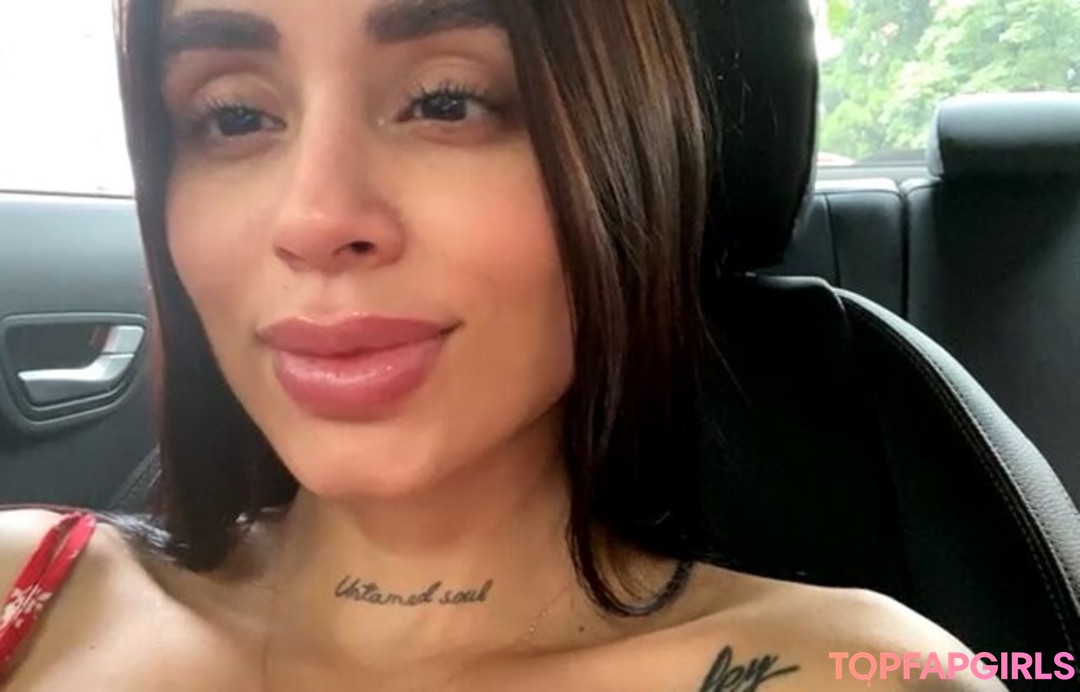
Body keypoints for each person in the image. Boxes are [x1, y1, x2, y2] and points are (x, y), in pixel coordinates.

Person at [0, 1, 1009, 689]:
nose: (313, 218)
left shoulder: (860, 676)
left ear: (629, 150)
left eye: (446, 101)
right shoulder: (24, 586)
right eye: (233, 115)